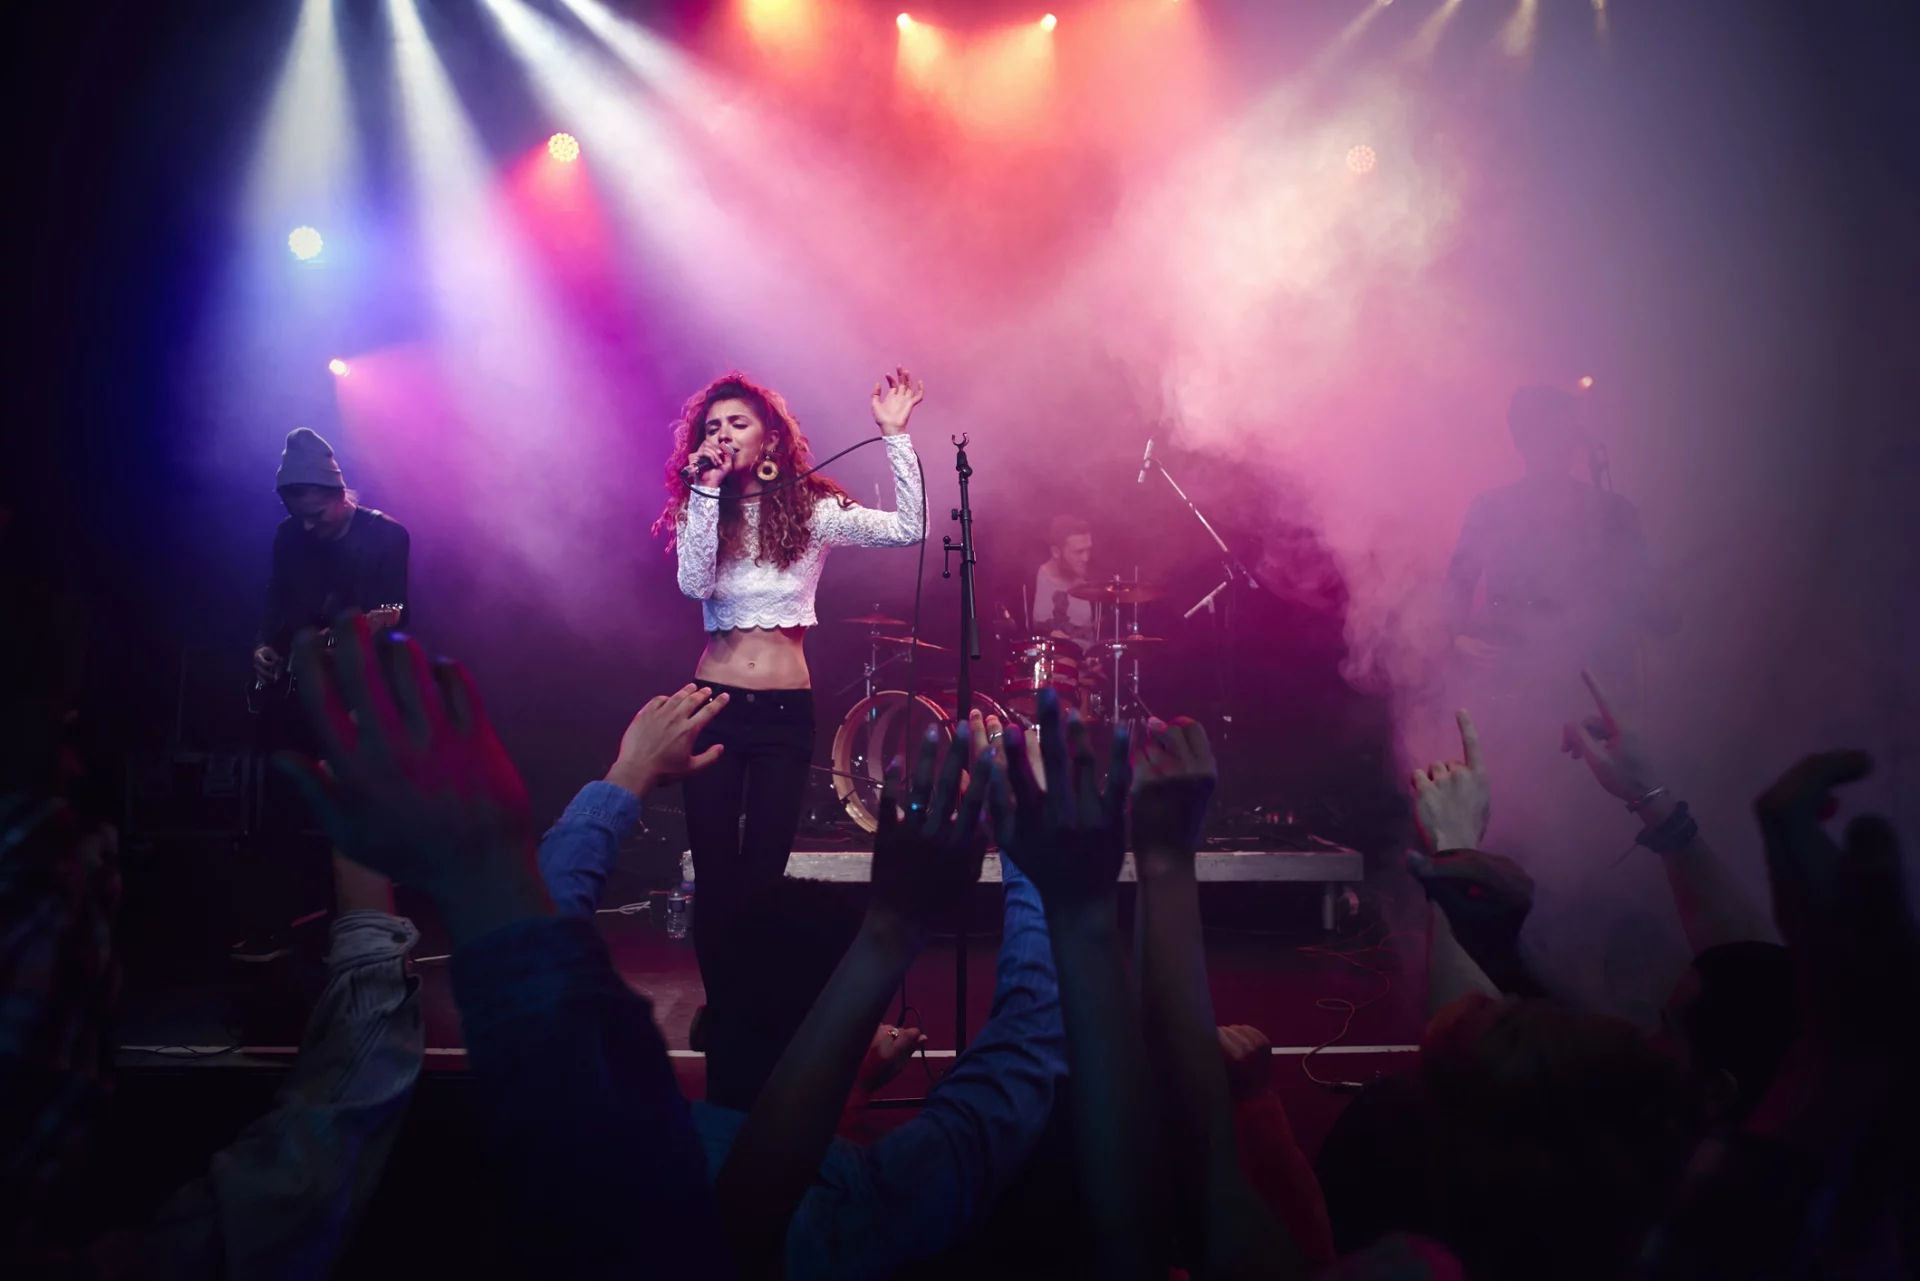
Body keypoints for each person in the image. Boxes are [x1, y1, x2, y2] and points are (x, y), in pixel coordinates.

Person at [654, 368, 926, 1012]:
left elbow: (909, 529)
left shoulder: (814, 508)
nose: (723, 434)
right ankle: (725, 1014)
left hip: (783, 713)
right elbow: (695, 585)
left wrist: (895, 438)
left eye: (737, 423)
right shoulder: (704, 504)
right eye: (712, 426)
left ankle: (753, 1010)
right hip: (714, 706)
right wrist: (703, 491)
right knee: (716, 876)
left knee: (762, 876)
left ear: (770, 438)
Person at [236, 428, 409, 962]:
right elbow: (277, 598)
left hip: (359, 691)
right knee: (279, 809)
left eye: (318, 515)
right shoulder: (291, 537)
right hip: (295, 692)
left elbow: (395, 617)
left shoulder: (386, 537)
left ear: (341, 494)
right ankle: (277, 925)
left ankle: (364, 929)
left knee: (357, 808)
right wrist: (265, 644)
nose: (309, 526)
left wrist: (353, 643)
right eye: (301, 517)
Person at [1445, 385, 1677, 707]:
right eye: (1543, 431)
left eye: (1564, 430)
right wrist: (1459, 639)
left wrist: (1647, 598)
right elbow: (1456, 589)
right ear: (1521, 440)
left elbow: (1660, 614)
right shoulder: (1490, 508)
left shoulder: (1613, 511)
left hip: (1595, 693)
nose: (1558, 441)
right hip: (1512, 695)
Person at [1032, 515, 1097, 644]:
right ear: (1056, 552)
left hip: (1086, 661)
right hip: (1044, 660)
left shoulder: (1093, 581)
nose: (1086, 558)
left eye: (1088, 550)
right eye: (1078, 552)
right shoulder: (1031, 580)